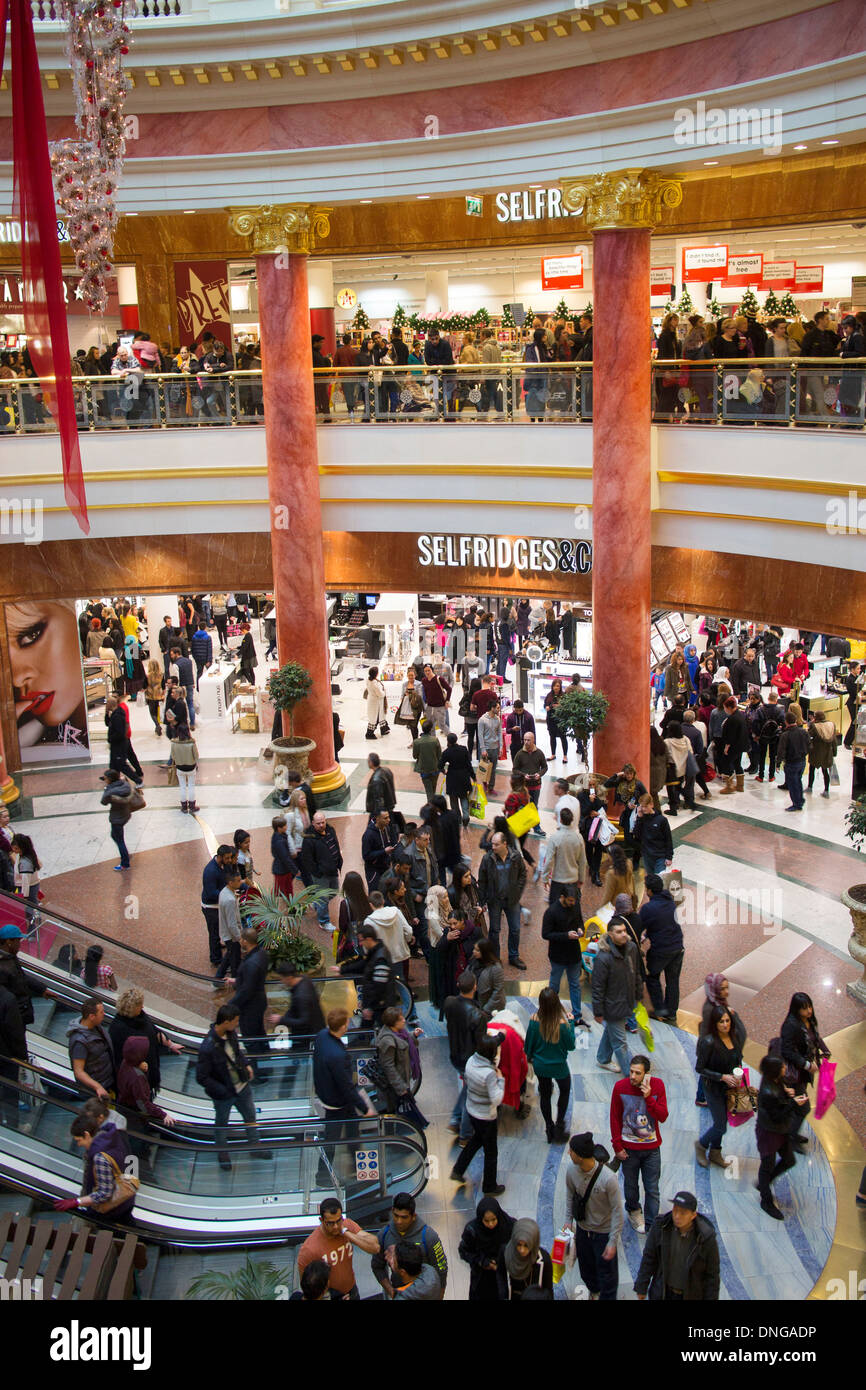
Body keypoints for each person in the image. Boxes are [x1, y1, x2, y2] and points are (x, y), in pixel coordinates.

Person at [196, 1003, 272, 1171]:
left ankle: (255, 1146)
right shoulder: (208, 1048)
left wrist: (246, 1064)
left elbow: (237, 1053)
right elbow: (201, 1077)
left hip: (242, 1087)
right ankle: (223, 1152)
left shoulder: (231, 1035)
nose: (237, 1024)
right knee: (222, 1123)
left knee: (250, 1117)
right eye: (235, 1021)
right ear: (226, 1021)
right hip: (224, 1093)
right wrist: (222, 1091)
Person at [312, 1007, 377, 1184]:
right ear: (342, 1027)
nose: (349, 1024)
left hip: (328, 1094)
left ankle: (356, 1164)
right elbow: (346, 1086)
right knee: (331, 1137)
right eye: (347, 1022)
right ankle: (323, 1175)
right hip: (337, 1102)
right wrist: (365, 1108)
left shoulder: (322, 1035)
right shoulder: (338, 1055)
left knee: (352, 1128)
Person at [610, 1054, 668, 1234]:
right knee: (630, 1185)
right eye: (631, 1072)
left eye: (638, 1073)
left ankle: (651, 1223)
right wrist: (617, 1146)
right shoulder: (620, 1087)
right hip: (629, 1149)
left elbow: (663, 1116)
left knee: (652, 1188)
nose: (633, 1076)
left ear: (646, 1074)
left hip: (651, 1148)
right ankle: (634, 1210)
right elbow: (614, 1117)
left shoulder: (657, 1086)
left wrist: (649, 1097)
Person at [565, 1131, 624, 1301]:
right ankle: (594, 1291)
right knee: (586, 1268)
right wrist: (568, 1222)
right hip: (583, 1230)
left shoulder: (608, 1179)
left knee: (608, 1276)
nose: (569, 1153)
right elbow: (570, 1196)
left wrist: (612, 1242)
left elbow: (617, 1211)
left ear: (581, 1156)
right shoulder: (571, 1171)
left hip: (603, 1234)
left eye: (572, 1151)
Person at [634, 1190, 720, 1301]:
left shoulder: (706, 1237)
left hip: (691, 1295)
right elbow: (649, 1257)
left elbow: (712, 1276)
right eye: (675, 1210)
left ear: (693, 1215)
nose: (677, 1216)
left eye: (683, 1213)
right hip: (663, 1292)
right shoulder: (661, 1225)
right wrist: (641, 1286)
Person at [449, 1031, 507, 1195]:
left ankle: (458, 1169)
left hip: (472, 1110)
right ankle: (489, 1186)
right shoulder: (489, 1073)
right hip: (486, 1117)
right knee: (491, 1152)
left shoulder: (470, 1062)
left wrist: (497, 1038)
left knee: (475, 1141)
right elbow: (497, 1099)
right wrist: (501, 1080)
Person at [296, 1197, 379, 1301]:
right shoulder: (309, 1249)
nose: (335, 1226)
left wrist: (346, 1232)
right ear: (321, 1220)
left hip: (352, 1290)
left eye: (338, 1221)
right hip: (329, 1296)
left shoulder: (346, 1225)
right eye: (330, 1223)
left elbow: (375, 1247)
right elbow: (308, 1289)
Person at [63, 1110, 136, 1225]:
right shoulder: (113, 1135)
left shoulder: (100, 1158)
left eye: (79, 1140)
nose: (78, 1144)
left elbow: (104, 1193)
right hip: (125, 1199)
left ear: (87, 1135)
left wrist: (76, 1202)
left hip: (113, 1210)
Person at [371, 1191, 448, 1299]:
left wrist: (440, 1296)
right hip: (399, 1291)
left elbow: (441, 1269)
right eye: (396, 1216)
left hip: (425, 1293)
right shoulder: (384, 1235)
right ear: (392, 1211)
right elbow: (377, 1266)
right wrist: (391, 1291)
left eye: (404, 1217)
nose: (399, 1221)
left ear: (413, 1216)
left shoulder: (429, 1237)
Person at [694, 1004, 745, 1169]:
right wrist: (722, 1077)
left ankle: (715, 1151)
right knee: (720, 1125)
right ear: (715, 1023)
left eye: (727, 1021)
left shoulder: (734, 1037)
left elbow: (738, 1058)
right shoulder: (708, 1042)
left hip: (729, 1088)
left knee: (723, 1122)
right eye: (721, 1021)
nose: (725, 1024)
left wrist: (739, 1074)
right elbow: (700, 1068)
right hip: (713, 1088)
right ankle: (701, 1145)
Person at [108, 986, 181, 1099]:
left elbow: (154, 1030)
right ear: (132, 1008)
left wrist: (170, 1044)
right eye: (139, 1005)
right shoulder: (117, 1029)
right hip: (137, 1076)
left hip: (149, 1067)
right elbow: (118, 1057)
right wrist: (136, 1065)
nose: (142, 1006)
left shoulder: (141, 1016)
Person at [754, 1055, 803, 1221]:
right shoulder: (768, 1091)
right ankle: (766, 1201)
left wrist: (786, 1093)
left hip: (780, 1131)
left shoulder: (775, 1081)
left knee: (789, 1160)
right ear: (775, 1070)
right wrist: (794, 1103)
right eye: (782, 1067)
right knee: (766, 1166)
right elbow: (777, 1115)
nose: (785, 1069)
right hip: (769, 1132)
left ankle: (765, 1183)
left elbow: (779, 1100)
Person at [780, 990, 831, 1149]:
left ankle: (790, 1132)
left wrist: (825, 1049)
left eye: (810, 1006)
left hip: (805, 1073)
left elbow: (816, 1037)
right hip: (796, 1073)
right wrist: (807, 1065)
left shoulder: (809, 1020)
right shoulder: (790, 1025)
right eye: (804, 1008)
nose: (809, 1011)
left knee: (798, 1104)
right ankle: (789, 1137)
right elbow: (786, 1051)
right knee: (803, 1107)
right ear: (796, 1009)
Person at [524, 986, 575, 1143]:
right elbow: (571, 1046)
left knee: (545, 1094)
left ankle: (549, 1127)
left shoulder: (533, 1021)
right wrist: (571, 1023)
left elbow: (528, 1047)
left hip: (540, 1066)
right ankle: (560, 1124)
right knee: (565, 1090)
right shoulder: (562, 1025)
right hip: (559, 1066)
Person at [592, 916, 641, 1076]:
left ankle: (603, 1058)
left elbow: (636, 972)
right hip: (612, 1006)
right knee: (621, 1043)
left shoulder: (632, 948)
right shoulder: (603, 957)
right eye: (618, 932)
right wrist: (598, 1012)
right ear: (610, 935)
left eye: (624, 931)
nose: (623, 934)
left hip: (627, 1001)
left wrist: (638, 995)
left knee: (611, 1032)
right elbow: (597, 987)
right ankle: (631, 1077)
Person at [444, 970, 486, 1145]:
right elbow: (482, 1042)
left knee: (468, 1088)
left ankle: (455, 1120)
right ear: (475, 987)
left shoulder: (449, 1003)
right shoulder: (477, 1015)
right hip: (470, 1057)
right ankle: (465, 1134)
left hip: (455, 1054)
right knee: (471, 1094)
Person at [478, 830, 528, 969]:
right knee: (494, 930)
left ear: (505, 844)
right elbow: (482, 881)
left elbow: (523, 874)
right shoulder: (487, 859)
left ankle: (514, 956)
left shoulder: (515, 857)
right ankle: (495, 957)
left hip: (512, 900)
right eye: (492, 844)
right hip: (495, 900)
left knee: (515, 929)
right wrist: (482, 901)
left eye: (496, 844)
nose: (493, 847)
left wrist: (517, 892)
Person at [640, 873, 685, 1022]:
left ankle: (659, 1008)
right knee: (673, 980)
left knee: (652, 976)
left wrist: (643, 936)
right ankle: (671, 1012)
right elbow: (663, 922)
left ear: (650, 891)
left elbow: (640, 926)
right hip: (678, 946)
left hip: (661, 949)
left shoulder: (648, 908)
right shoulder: (670, 901)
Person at [542, 886, 587, 1025]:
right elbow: (545, 934)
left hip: (573, 953)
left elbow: (580, 921)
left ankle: (577, 1014)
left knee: (575, 984)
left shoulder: (575, 905)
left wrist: (581, 929)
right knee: (554, 986)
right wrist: (566, 935)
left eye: (574, 900)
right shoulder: (551, 912)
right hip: (558, 955)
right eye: (570, 900)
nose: (573, 903)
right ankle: (551, 1012)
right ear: (562, 897)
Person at [459, 1196, 516, 1302]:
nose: (491, 1224)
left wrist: (503, 1262)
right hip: (480, 1277)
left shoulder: (509, 1226)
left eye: (494, 1220)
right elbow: (464, 1251)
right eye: (486, 1221)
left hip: (500, 1277)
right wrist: (482, 1261)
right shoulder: (472, 1230)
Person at [299, 811, 344, 931]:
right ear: (313, 823)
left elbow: (335, 844)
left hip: (333, 870)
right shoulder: (309, 839)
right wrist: (317, 872)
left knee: (334, 892)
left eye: (323, 822)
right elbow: (307, 859)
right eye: (318, 823)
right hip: (321, 874)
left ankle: (317, 904)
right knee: (323, 897)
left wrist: (339, 860)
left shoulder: (330, 830)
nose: (321, 825)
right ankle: (323, 921)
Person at [116, 1036, 174, 1127]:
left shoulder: (125, 1062)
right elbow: (143, 1104)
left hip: (122, 1105)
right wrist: (163, 1115)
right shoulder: (137, 1077)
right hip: (133, 1114)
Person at [67, 997, 116, 1101]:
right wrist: (98, 1087)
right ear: (92, 1016)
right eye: (102, 1012)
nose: (104, 1014)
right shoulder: (80, 1042)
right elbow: (78, 1071)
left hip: (107, 1081)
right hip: (95, 1093)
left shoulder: (96, 1027)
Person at [496, 1218, 553, 1299]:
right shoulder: (505, 1253)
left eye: (526, 1245)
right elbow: (500, 1275)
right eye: (518, 1245)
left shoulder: (544, 1259)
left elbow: (548, 1290)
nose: (522, 1250)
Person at [365, 890, 413, 984]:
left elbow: (368, 945)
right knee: (401, 984)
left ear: (370, 904)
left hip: (382, 959)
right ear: (383, 901)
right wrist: (407, 940)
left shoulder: (369, 921)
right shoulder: (396, 912)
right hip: (399, 955)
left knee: (385, 987)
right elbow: (408, 930)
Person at [542, 806, 587, 907]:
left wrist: (545, 878)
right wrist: (581, 878)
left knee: (554, 909)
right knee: (570, 910)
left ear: (560, 820)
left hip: (558, 879)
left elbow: (549, 860)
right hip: (573, 880)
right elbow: (582, 861)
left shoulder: (555, 837)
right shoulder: (578, 838)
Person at [201, 844, 235, 968]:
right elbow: (211, 893)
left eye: (230, 857)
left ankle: (218, 946)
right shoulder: (210, 871)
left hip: (218, 904)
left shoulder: (224, 866)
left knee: (219, 929)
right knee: (214, 933)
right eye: (227, 858)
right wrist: (228, 894)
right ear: (220, 857)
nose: (229, 861)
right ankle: (215, 958)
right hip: (210, 907)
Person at [104, 693, 143, 784]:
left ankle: (138, 780)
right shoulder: (114, 714)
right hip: (118, 743)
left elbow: (120, 732)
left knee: (121, 764)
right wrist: (107, 714)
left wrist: (110, 738)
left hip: (120, 743)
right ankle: (113, 781)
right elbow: (107, 722)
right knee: (114, 764)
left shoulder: (117, 715)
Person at [213, 868, 243, 983]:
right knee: (235, 960)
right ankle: (235, 981)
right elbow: (232, 924)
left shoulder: (224, 892)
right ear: (231, 882)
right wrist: (239, 937)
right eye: (238, 880)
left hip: (226, 934)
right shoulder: (230, 900)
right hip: (231, 936)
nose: (240, 882)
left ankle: (218, 976)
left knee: (230, 954)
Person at [512, 731, 548, 825]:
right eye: (524, 740)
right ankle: (524, 825)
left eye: (528, 740)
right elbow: (514, 769)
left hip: (536, 785)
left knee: (534, 806)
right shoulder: (519, 754)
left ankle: (536, 826)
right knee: (523, 805)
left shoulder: (539, 753)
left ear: (533, 740)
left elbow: (545, 767)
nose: (526, 742)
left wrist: (539, 774)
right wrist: (524, 775)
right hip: (524, 786)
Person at [777, 707, 810, 812]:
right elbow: (809, 745)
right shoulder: (803, 732)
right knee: (798, 782)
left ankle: (797, 804)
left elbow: (781, 750)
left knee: (793, 784)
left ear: (786, 722)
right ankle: (800, 799)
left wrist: (778, 763)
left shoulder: (785, 735)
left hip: (791, 763)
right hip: (802, 761)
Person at [717, 694, 751, 795]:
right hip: (741, 745)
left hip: (734, 746)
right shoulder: (740, 715)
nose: (724, 710)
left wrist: (727, 746)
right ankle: (740, 786)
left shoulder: (732, 719)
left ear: (729, 707)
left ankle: (729, 786)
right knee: (737, 764)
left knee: (727, 764)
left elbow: (730, 735)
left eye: (725, 708)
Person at [439, 731, 474, 826]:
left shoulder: (446, 752)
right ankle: (466, 816)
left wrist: (444, 771)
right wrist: (473, 777)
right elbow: (468, 764)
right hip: (464, 777)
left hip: (452, 778)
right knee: (463, 797)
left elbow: (440, 765)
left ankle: (457, 818)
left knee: (453, 800)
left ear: (448, 741)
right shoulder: (463, 749)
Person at [633, 794, 672, 876]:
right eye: (642, 806)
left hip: (660, 856)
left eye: (646, 806)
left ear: (652, 805)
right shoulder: (642, 818)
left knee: (660, 879)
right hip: (647, 856)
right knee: (651, 880)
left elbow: (668, 839)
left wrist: (669, 857)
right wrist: (639, 818)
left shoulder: (662, 820)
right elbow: (637, 835)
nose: (643, 809)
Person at [361, 810, 400, 893]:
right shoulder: (368, 835)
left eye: (388, 817)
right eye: (385, 818)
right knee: (376, 894)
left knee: (387, 893)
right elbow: (366, 856)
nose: (389, 820)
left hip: (386, 867)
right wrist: (384, 851)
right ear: (377, 819)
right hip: (374, 871)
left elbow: (391, 842)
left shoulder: (387, 828)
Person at [470, 938, 505, 1016]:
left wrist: (486, 1010)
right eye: (474, 948)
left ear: (485, 952)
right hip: (476, 1001)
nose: (473, 951)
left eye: (477, 950)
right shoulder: (474, 960)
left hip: (490, 1008)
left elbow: (498, 991)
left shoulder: (496, 968)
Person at [807, 708, 837, 798]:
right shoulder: (831, 725)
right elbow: (834, 741)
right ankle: (826, 790)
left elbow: (809, 735)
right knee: (825, 771)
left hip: (816, 751)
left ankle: (809, 787)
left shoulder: (815, 726)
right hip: (827, 753)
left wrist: (811, 723)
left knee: (811, 769)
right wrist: (834, 752)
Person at [412, 719, 442, 804]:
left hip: (424, 769)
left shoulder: (417, 742)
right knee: (433, 789)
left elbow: (415, 756)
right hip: (435, 769)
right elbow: (440, 755)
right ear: (431, 729)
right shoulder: (435, 740)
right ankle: (434, 806)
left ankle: (431, 808)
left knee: (429, 791)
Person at [477, 700, 503, 795]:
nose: (499, 709)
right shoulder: (482, 719)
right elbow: (480, 735)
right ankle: (484, 783)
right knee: (484, 768)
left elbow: (500, 733)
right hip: (486, 748)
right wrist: (483, 749)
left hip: (495, 748)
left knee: (493, 769)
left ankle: (491, 787)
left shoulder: (498, 719)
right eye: (497, 708)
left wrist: (501, 748)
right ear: (492, 708)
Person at [168, 645, 196, 729]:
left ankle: (184, 721)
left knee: (181, 705)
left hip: (182, 687)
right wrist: (193, 682)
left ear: (177, 654)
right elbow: (193, 672)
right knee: (190, 703)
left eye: (172, 654)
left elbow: (177, 677)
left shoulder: (175, 665)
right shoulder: (189, 661)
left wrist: (176, 687)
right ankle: (192, 723)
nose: (171, 656)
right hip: (190, 683)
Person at [421, 661, 450, 733]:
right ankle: (433, 742)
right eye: (425, 671)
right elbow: (425, 693)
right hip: (429, 707)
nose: (427, 672)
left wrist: (447, 701)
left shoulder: (439, 679)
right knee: (431, 726)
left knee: (442, 725)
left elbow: (449, 689)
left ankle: (452, 740)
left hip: (440, 706)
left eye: (429, 670)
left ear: (432, 670)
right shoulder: (424, 680)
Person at [365, 751, 396, 818]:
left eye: (368, 761)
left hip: (382, 810)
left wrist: (379, 813)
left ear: (371, 762)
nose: (367, 763)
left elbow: (378, 798)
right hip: (390, 804)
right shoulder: (387, 770)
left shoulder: (376, 779)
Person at [363, 666, 388, 740]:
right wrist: (384, 692)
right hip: (376, 702)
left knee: (378, 716)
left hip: (372, 700)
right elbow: (380, 694)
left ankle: (384, 729)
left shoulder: (369, 680)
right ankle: (369, 734)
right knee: (375, 717)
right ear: (376, 674)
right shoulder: (374, 683)